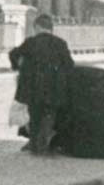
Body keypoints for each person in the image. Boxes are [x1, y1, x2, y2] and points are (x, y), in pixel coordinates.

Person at [8, 14, 74, 155]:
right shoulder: (60, 43)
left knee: (34, 115)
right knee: (48, 115)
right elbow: (69, 65)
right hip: (54, 88)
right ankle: (43, 145)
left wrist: (17, 66)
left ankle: (34, 145)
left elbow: (13, 54)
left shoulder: (30, 42)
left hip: (33, 88)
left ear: (37, 27)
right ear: (51, 28)